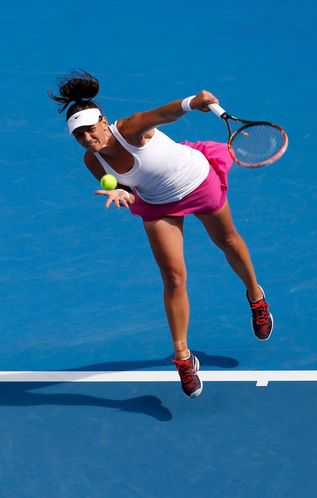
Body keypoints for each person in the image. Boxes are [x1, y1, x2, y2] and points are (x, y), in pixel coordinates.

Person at [49, 70, 273, 398]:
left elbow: (164, 114)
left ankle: (255, 296)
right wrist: (122, 193)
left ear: (103, 121)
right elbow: (122, 186)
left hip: (196, 181)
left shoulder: (130, 128)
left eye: (88, 130)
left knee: (227, 241)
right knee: (173, 277)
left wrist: (192, 103)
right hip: (158, 205)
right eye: (78, 135)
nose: (86, 138)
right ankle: (183, 357)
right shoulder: (92, 160)